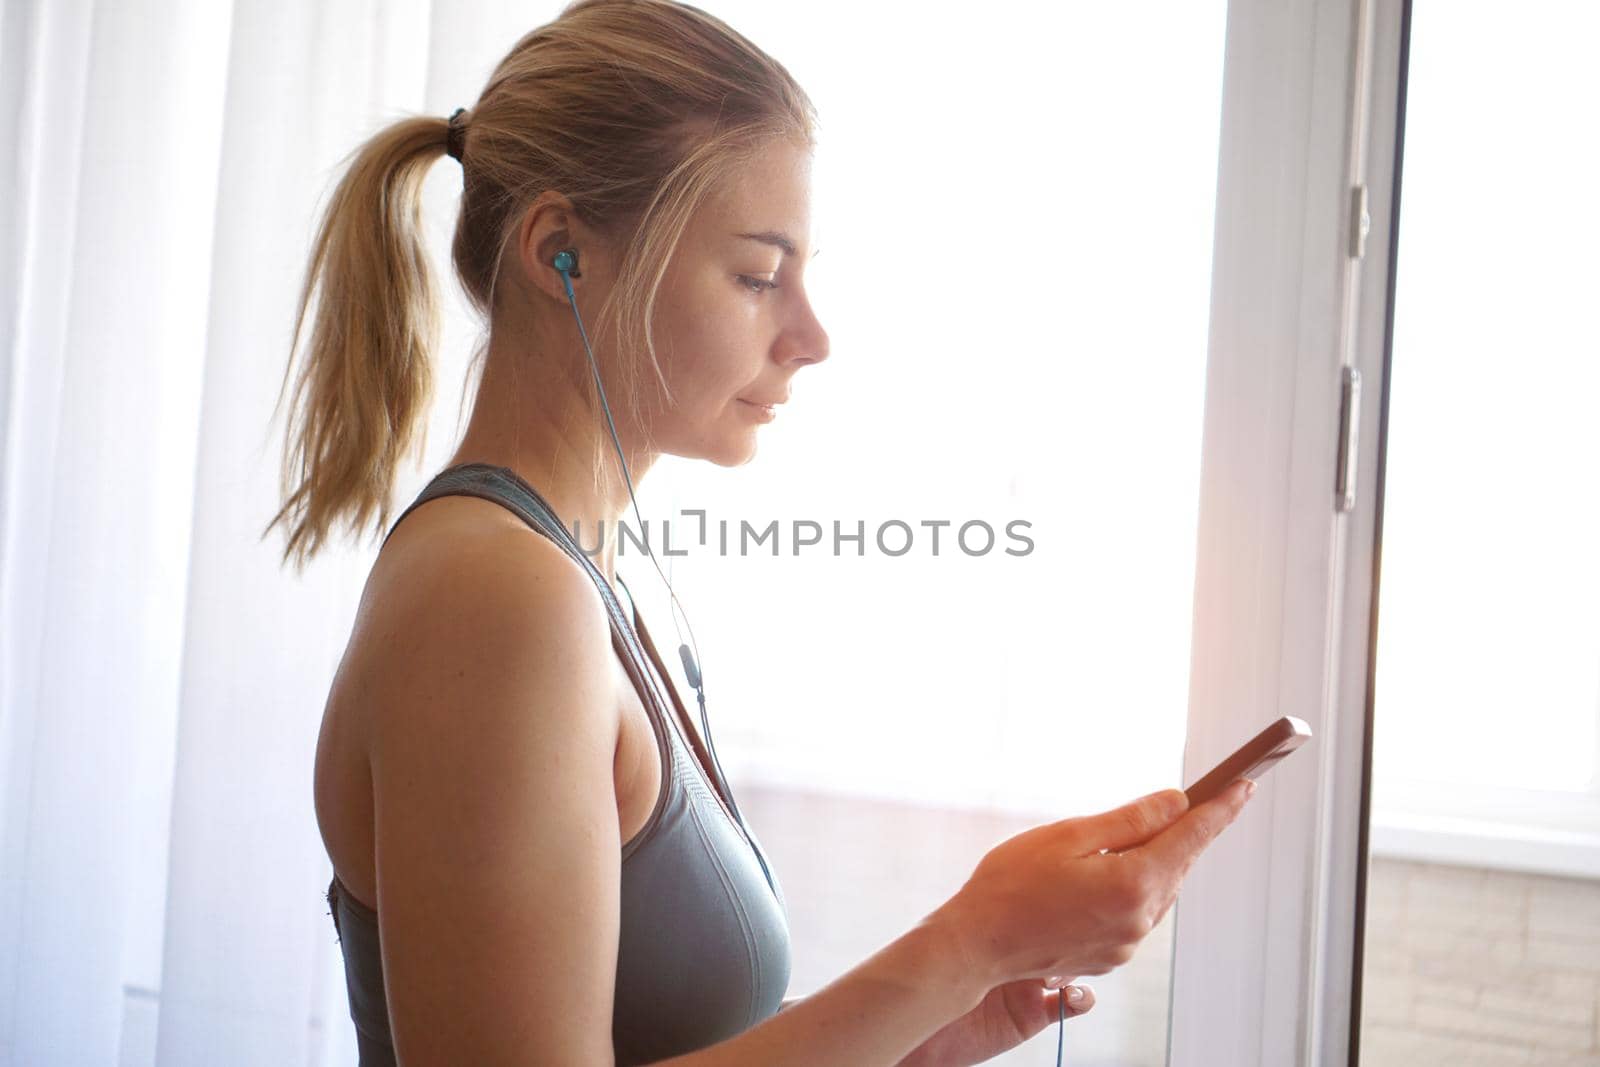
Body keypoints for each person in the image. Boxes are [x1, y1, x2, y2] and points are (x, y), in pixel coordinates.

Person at [264, 1, 1256, 1063]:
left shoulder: (571, 572)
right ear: (562, 253)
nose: (812, 335)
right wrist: (969, 941)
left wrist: (929, 1029)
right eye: (754, 274)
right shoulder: (496, 595)